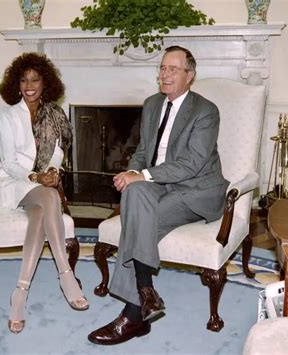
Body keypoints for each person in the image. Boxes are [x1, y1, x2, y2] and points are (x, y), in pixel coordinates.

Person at [88, 46, 229, 345]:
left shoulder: (206, 111)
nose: (165, 74)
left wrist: (143, 176)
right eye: (163, 68)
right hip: (159, 183)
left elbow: (192, 164)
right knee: (134, 194)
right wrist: (130, 174)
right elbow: (142, 152)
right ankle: (146, 294)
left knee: (137, 222)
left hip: (195, 188)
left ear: (189, 76)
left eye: (173, 69)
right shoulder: (152, 104)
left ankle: (134, 312)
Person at [0, 53, 89, 334]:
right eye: (24, 79)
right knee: (49, 196)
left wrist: (53, 171)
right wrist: (36, 177)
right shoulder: (7, 116)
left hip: (39, 184)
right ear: (16, 85)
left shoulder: (54, 114)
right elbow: (8, 162)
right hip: (12, 181)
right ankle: (67, 275)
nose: (29, 85)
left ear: (45, 83)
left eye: (35, 79)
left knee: (42, 209)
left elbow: (57, 153)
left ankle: (20, 292)